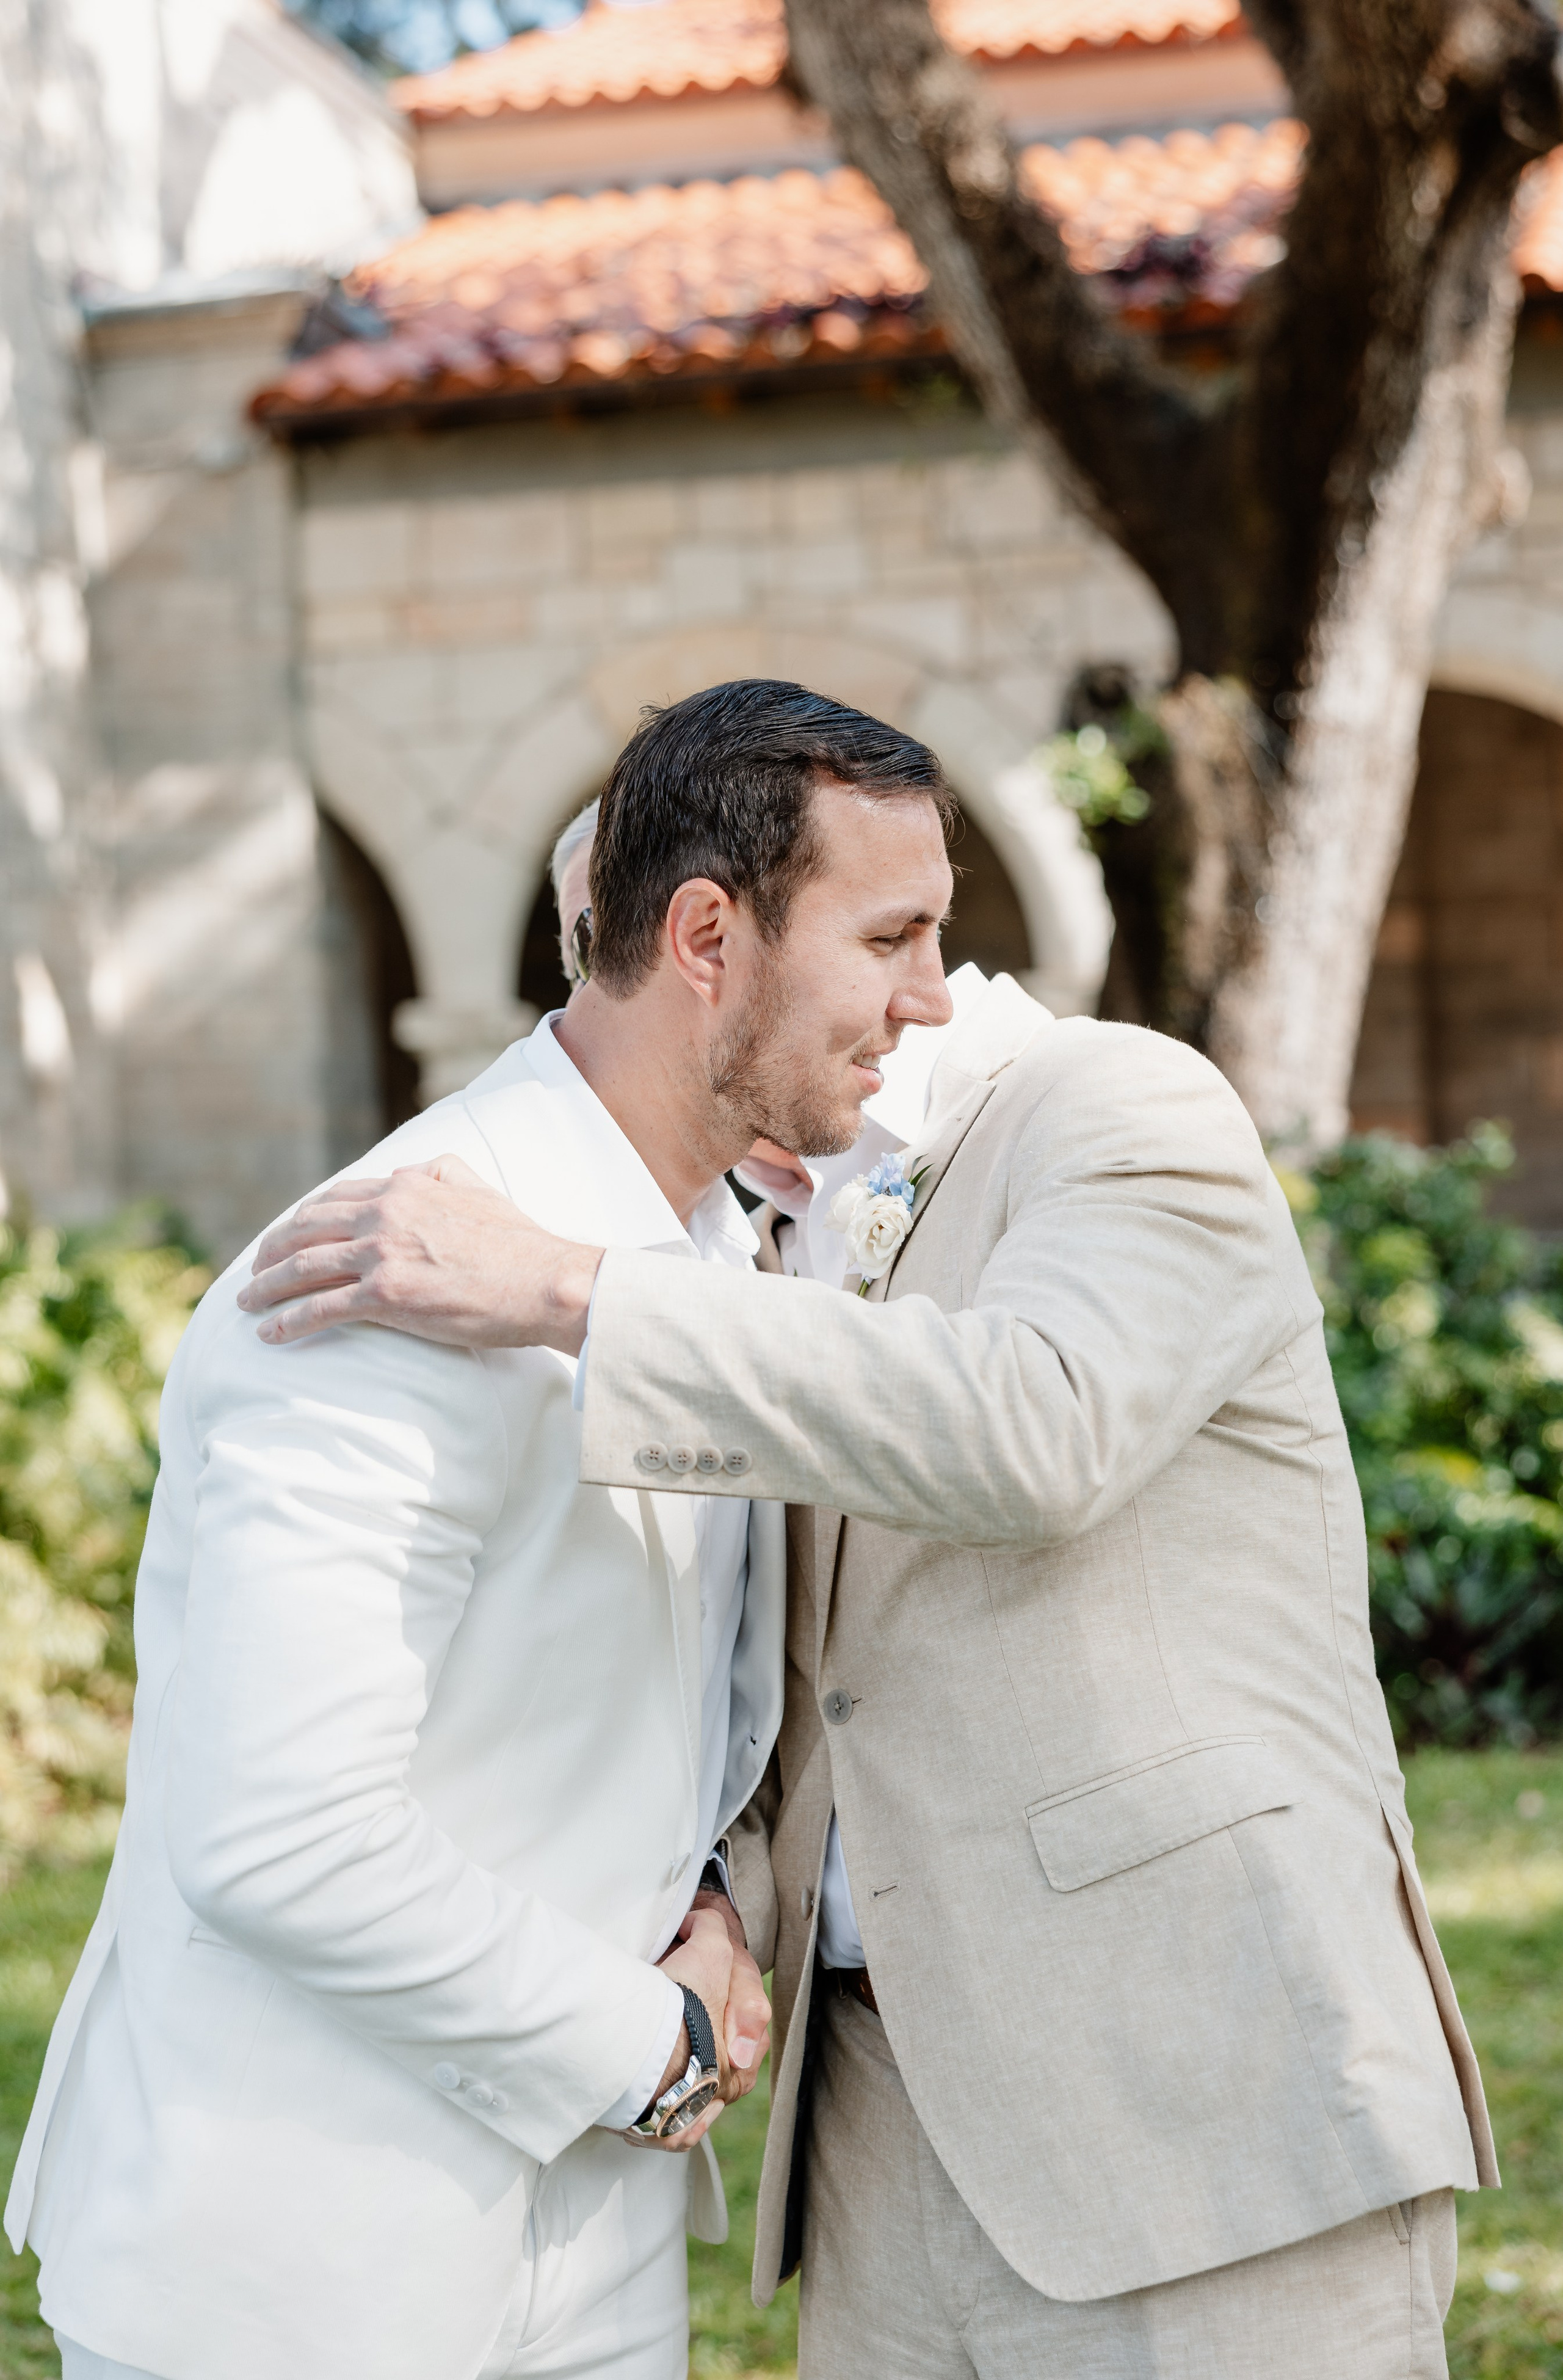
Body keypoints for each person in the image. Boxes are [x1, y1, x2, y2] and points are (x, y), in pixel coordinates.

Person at [244, 685, 1496, 2380]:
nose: (588, 1003)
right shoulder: (745, 1243)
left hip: (1203, 2105)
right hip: (882, 2136)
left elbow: (1031, 1424)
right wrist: (718, 1903)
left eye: (919, 930)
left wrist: (560, 1289)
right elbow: (801, 1664)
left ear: (716, 946)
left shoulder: (1122, 1112)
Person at [6, 677, 961, 2380]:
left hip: (586, 2241)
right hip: (298, 2267)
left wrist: (719, 1905)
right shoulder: (381, 1265)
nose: (932, 997)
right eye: (891, 936)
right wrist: (650, 2043)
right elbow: (278, 1828)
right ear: (704, 936)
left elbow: (673, 1713)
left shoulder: (702, 1261)